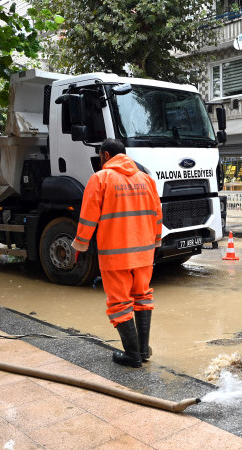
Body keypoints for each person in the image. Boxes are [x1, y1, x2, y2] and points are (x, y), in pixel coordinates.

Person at [71, 139, 162, 368]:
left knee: (120, 302)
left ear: (106, 155)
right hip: (144, 252)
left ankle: (132, 355)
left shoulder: (101, 178)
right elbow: (157, 214)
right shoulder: (146, 179)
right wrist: (156, 242)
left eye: (100, 156)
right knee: (142, 296)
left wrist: (80, 246)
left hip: (115, 254)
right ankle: (143, 350)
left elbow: (88, 217)